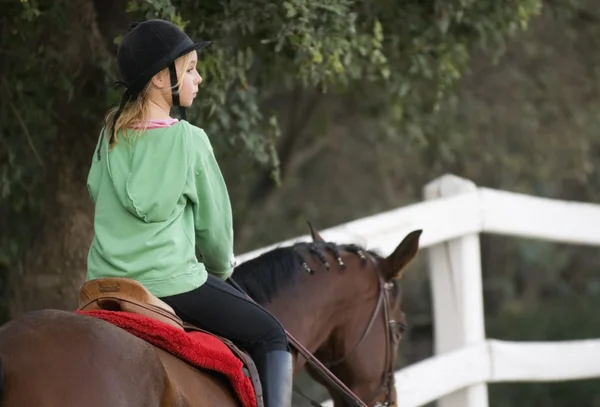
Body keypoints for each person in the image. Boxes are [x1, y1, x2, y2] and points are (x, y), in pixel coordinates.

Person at [85, 19, 292, 407]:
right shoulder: (189, 140)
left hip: (103, 284)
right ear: (161, 79)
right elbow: (215, 240)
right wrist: (221, 272)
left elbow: (96, 189)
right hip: (171, 284)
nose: (199, 78)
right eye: (191, 68)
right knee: (270, 334)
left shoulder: (108, 135)